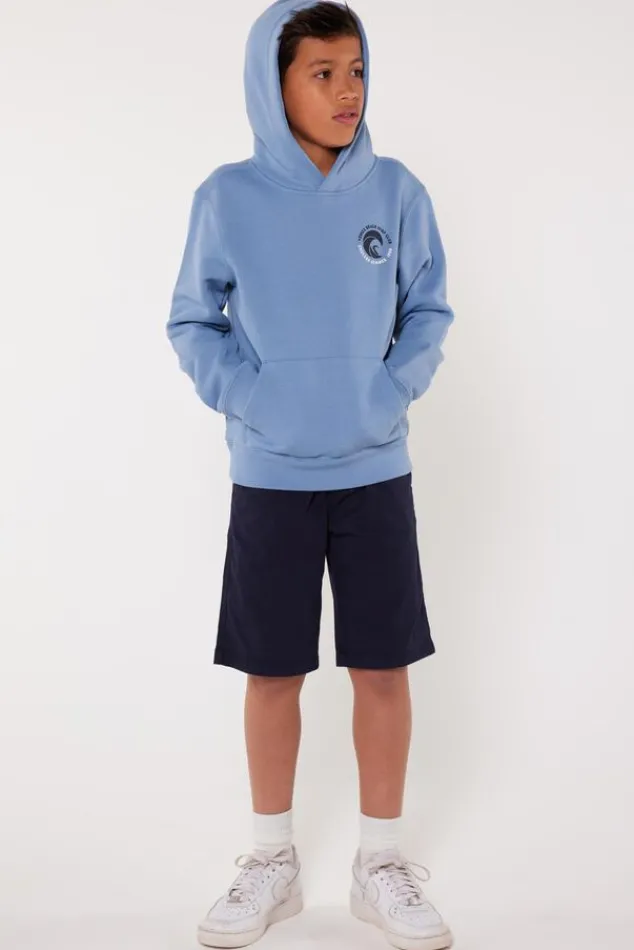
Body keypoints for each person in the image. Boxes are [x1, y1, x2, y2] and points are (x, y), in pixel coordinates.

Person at [166, 2, 455, 947]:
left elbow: (428, 310)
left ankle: (381, 863)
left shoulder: (396, 191)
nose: (346, 91)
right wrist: (253, 399)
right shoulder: (228, 197)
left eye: (356, 70)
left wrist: (386, 391)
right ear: (274, 81)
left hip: (375, 471)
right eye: (322, 72)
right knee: (271, 670)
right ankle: (271, 860)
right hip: (272, 475)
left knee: (383, 666)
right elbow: (192, 320)